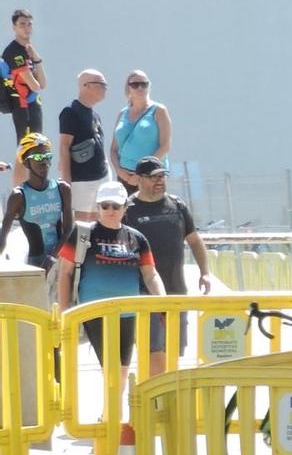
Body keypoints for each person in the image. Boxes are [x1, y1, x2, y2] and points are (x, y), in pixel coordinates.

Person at [54, 181, 167, 378]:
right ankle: (113, 408)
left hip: (127, 313)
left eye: (116, 206)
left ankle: (111, 409)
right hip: (94, 311)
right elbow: (65, 273)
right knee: (112, 368)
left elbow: (151, 274)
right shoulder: (82, 234)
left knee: (122, 370)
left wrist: (163, 303)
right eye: (105, 205)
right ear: (98, 207)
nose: (110, 210)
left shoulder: (137, 238)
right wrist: (65, 311)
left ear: (125, 208)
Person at [124, 157, 211, 298]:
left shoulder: (178, 206)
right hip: (141, 295)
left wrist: (205, 273)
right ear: (139, 179)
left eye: (162, 176)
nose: (159, 180)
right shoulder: (126, 209)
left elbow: (194, 241)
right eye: (153, 177)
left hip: (176, 292)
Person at [0, 133, 71, 303]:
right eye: (38, 157)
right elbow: (3, 236)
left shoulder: (62, 188)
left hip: (60, 258)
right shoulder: (18, 195)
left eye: (48, 156)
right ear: (26, 162)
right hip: (33, 263)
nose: (44, 161)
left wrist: (53, 257)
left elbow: (69, 229)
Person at [3, 9, 46, 189]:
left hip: (33, 105)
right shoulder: (15, 51)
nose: (27, 28)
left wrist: (37, 59)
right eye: (22, 24)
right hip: (21, 106)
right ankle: (19, 194)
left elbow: (42, 83)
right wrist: (35, 64)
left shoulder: (28, 50)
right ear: (14, 27)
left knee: (36, 148)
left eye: (29, 24)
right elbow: (35, 85)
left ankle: (30, 190)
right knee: (24, 148)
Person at [110, 71, 170, 187]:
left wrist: (142, 172)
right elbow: (113, 149)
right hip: (125, 176)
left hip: (151, 175)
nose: (140, 88)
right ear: (128, 89)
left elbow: (165, 146)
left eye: (144, 84)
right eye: (135, 85)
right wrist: (119, 171)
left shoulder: (159, 110)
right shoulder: (122, 113)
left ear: (149, 86)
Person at [57, 69, 110, 188]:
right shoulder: (71, 112)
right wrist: (66, 183)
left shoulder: (95, 115)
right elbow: (64, 146)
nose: (105, 88)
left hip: (101, 179)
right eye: (101, 84)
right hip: (81, 184)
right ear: (86, 86)